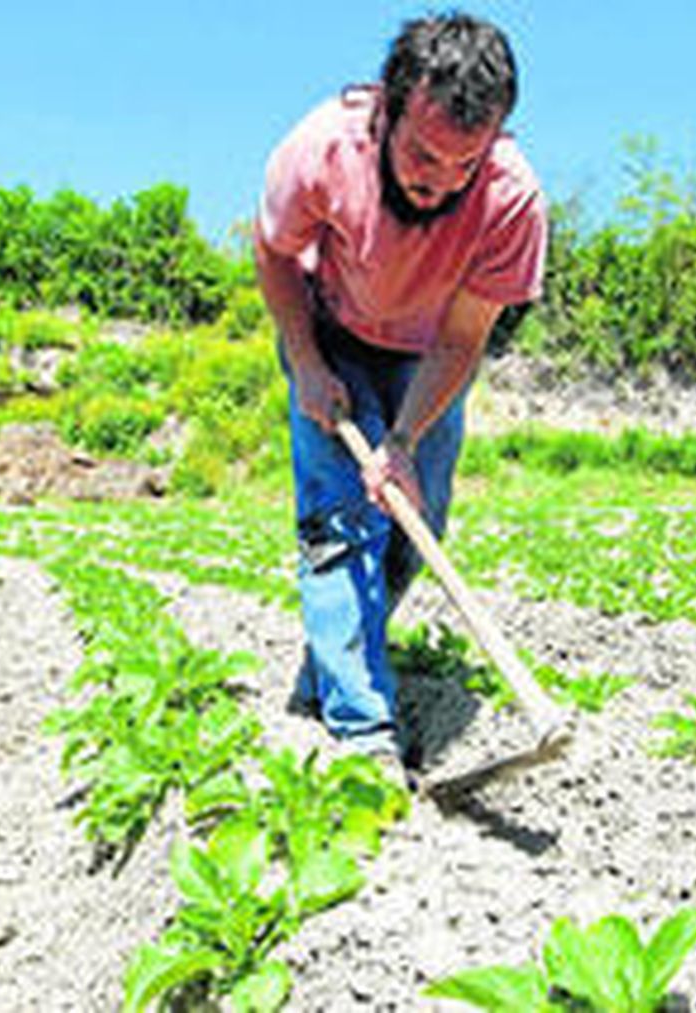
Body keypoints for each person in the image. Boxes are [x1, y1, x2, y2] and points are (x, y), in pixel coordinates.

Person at [254, 13, 547, 766]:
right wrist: (307, 362)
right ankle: (362, 729)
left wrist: (405, 440)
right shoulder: (321, 146)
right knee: (338, 523)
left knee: (417, 523)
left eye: (464, 163)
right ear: (386, 109)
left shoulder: (512, 199)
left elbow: (463, 337)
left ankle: (343, 645)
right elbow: (275, 252)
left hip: (427, 356)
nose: (438, 180)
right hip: (332, 334)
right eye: (423, 152)